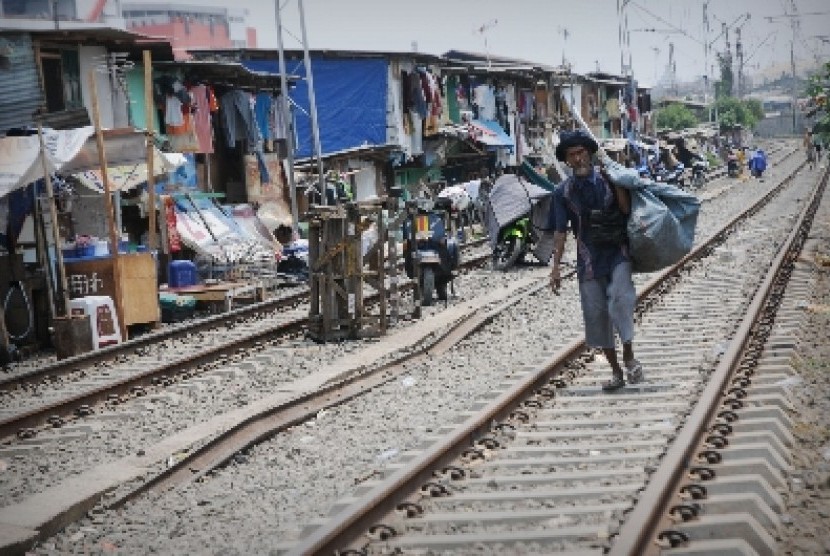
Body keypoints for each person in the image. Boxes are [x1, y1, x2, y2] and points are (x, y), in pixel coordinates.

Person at [549, 130, 643, 391]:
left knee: (621, 299)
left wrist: (618, 184)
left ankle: (629, 356)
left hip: (617, 252)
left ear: (589, 154)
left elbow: (625, 210)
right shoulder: (562, 192)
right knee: (597, 315)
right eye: (571, 155)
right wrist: (555, 267)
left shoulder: (608, 178)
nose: (577, 159)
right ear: (567, 161)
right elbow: (560, 232)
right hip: (588, 259)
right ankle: (615, 372)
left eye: (580, 153)